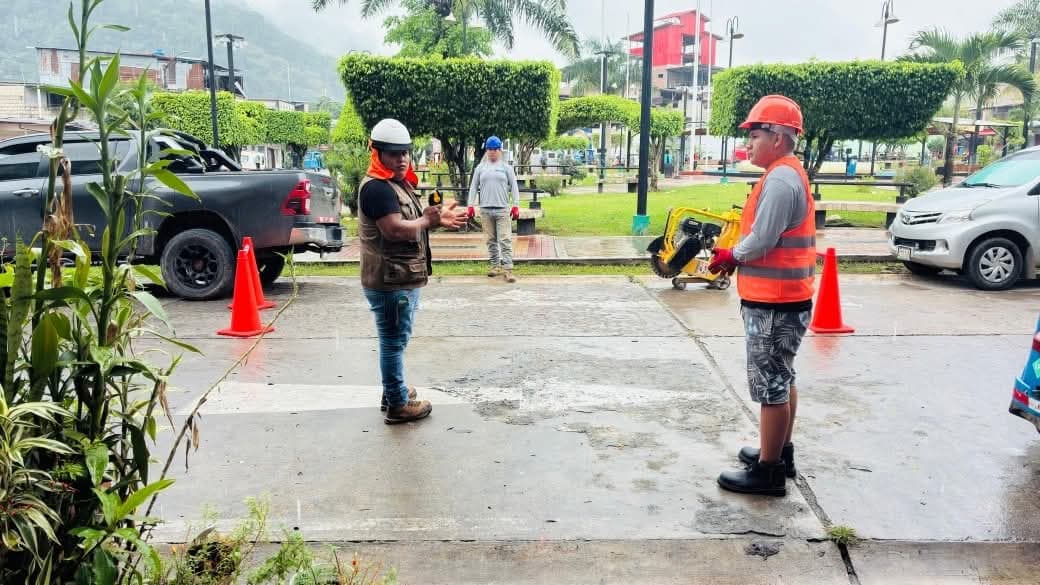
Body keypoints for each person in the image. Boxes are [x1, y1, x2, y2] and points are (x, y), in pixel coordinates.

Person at [708, 95, 817, 496]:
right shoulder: (787, 173)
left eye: (754, 135)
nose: (748, 144)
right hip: (787, 296)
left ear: (777, 136)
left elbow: (763, 239)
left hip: (773, 301)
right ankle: (780, 452)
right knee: (783, 378)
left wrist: (730, 256)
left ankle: (768, 471)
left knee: (770, 383)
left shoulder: (781, 179)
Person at [358, 118, 468, 424]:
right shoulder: (377, 189)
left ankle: (392, 389)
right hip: (391, 279)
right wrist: (426, 222)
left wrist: (437, 218)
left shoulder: (397, 183)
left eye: (405, 152)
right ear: (377, 153)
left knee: (396, 338)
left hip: (400, 274)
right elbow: (394, 230)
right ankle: (396, 403)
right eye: (393, 153)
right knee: (393, 340)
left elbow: (414, 218)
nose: (402, 158)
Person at [467, 135, 521, 283]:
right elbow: (473, 187)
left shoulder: (506, 168)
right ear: (486, 150)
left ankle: (508, 269)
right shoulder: (480, 168)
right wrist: (470, 205)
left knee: (505, 239)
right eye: (489, 149)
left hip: (502, 209)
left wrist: (516, 205)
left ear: (500, 150)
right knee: (490, 240)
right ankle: (495, 265)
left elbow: (514, 187)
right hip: (485, 209)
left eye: (495, 149)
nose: (492, 152)